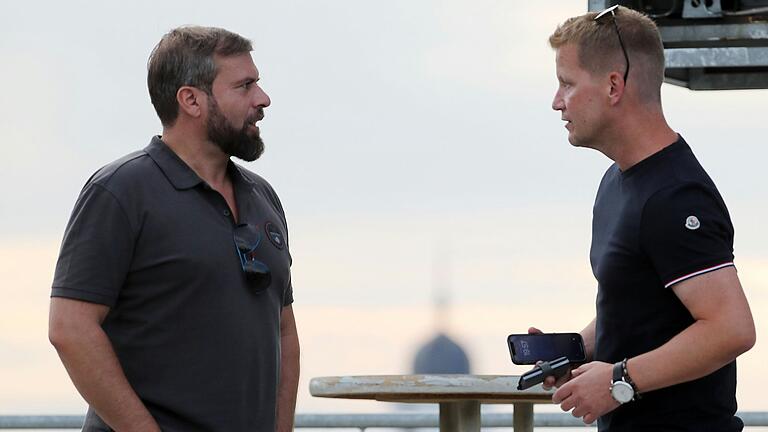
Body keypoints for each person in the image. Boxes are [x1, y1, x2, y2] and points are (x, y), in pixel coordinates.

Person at [48, 26, 299, 432]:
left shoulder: (262, 197)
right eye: (245, 86)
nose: (262, 99)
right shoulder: (120, 191)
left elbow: (284, 331)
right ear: (191, 100)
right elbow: (70, 329)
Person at [539, 6, 756, 431]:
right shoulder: (617, 182)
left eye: (566, 83)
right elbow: (637, 308)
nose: (556, 102)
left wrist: (619, 380)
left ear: (613, 86)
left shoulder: (675, 196)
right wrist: (575, 350)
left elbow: (731, 329)